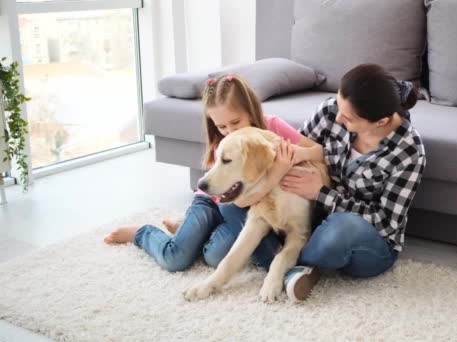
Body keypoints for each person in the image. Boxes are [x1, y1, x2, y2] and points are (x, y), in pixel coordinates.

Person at [238, 63, 427, 302]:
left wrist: (321, 193)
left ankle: (282, 260)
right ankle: (298, 268)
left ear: (381, 122)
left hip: (367, 241)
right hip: (312, 220)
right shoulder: (331, 111)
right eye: (338, 105)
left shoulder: (408, 152)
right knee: (237, 206)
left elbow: (385, 222)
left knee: (339, 230)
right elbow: (297, 153)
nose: (337, 117)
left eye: (348, 118)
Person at [103, 73, 319, 273]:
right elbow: (242, 201)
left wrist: (293, 154)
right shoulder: (224, 145)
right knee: (175, 258)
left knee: (214, 256)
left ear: (251, 110)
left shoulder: (272, 125)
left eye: (235, 122)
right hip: (212, 201)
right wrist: (278, 170)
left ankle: (193, 232)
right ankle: (142, 233)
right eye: (222, 126)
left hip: (239, 210)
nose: (230, 131)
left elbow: (317, 151)